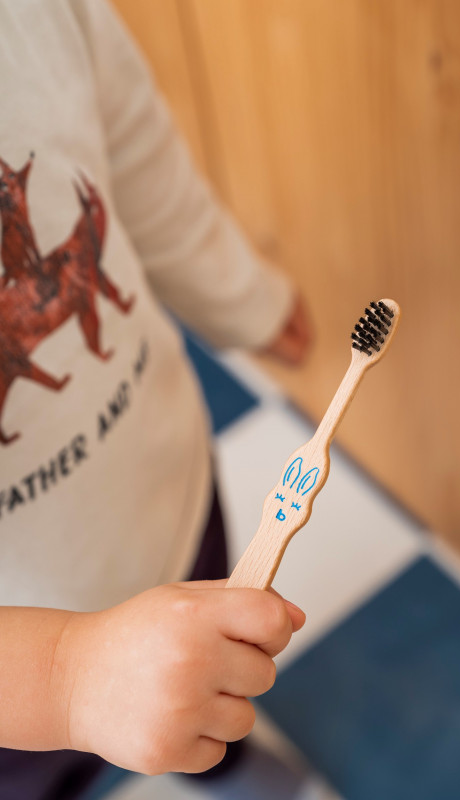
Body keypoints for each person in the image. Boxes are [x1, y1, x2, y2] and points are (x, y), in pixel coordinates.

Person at [0, 1, 330, 798]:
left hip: (165, 487)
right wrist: (66, 679)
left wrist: (237, 292)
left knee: (210, 683)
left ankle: (225, 760)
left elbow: (135, 149)